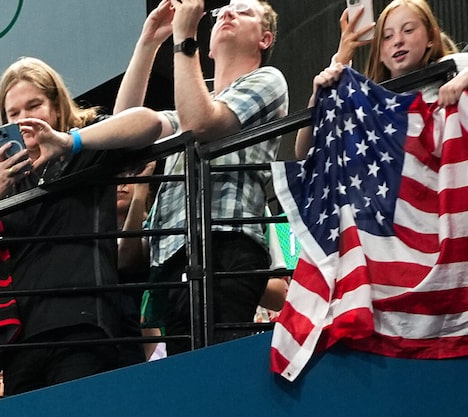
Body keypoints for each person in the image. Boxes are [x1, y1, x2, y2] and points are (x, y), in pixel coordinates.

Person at [0, 60, 161, 396]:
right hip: (22, 340)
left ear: (56, 106)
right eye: (13, 113)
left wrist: (71, 142)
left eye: (34, 105)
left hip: (83, 326)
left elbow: (150, 123)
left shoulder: (83, 147)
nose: (23, 118)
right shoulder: (11, 178)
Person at [115, 0, 289, 350]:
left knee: (218, 371)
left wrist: (184, 37)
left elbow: (201, 123)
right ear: (208, 49)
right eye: (225, 9)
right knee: (190, 379)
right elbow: (125, 125)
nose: (228, 12)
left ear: (265, 39)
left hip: (226, 247)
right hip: (175, 257)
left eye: (244, 11)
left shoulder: (268, 79)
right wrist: (149, 41)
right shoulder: (193, 99)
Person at [297, 2, 468, 158]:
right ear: (379, 53)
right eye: (387, 36)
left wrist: (462, 79)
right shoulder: (367, 100)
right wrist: (321, 92)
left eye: (408, 30)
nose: (398, 41)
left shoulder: (451, 67)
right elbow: (304, 152)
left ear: (431, 38)